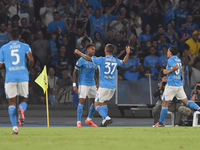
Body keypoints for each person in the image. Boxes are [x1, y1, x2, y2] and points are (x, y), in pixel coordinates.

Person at [75, 44, 130, 127]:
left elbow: (88, 58)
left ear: (106, 50)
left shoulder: (101, 60)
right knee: (104, 103)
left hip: (104, 86)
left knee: (96, 104)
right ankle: (103, 122)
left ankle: (106, 117)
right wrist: (128, 53)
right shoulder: (115, 60)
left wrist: (79, 53)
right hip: (113, 87)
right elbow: (124, 61)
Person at [153, 46, 200, 127]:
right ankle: (199, 108)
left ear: (171, 52)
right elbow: (180, 69)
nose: (167, 52)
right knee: (186, 101)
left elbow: (176, 67)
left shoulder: (171, 60)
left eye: (168, 51)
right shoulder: (178, 59)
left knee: (164, 104)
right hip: (179, 85)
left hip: (171, 85)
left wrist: (167, 71)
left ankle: (161, 123)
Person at [0, 28, 34, 134]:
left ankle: (15, 128)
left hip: (10, 78)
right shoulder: (25, 46)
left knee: (11, 103)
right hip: (23, 77)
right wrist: (28, 69)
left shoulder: (3, 48)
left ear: (9, 36)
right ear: (20, 37)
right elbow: (31, 59)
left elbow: (0, 64)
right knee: (24, 99)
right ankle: (21, 109)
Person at [73, 43, 98, 127]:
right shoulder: (81, 60)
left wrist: (98, 82)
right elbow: (74, 72)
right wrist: (74, 84)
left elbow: (96, 72)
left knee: (96, 102)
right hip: (83, 83)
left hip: (92, 84)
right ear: (87, 50)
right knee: (81, 101)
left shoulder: (94, 59)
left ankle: (89, 119)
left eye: (94, 49)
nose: (94, 51)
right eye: (92, 49)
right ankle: (78, 122)